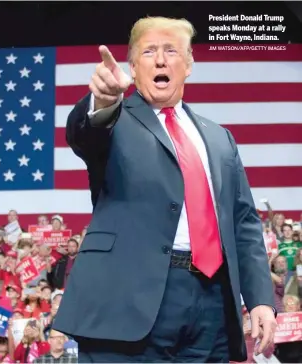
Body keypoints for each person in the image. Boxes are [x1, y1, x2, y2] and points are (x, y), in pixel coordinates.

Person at [53, 16, 277, 362]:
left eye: (171, 51)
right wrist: (102, 101)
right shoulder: (113, 119)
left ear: (188, 65)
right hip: (127, 305)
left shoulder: (219, 138)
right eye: (149, 52)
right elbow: (84, 134)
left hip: (211, 306)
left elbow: (244, 222)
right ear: (131, 66)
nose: (160, 60)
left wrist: (261, 298)